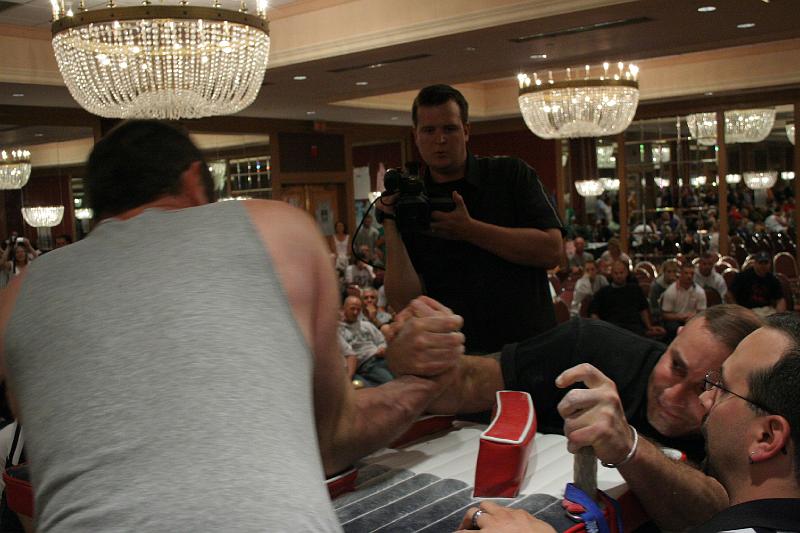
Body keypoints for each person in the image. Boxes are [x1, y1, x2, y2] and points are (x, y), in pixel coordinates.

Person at [0, 120, 466, 531]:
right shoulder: (278, 231)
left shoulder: (18, 295)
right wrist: (425, 382)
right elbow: (333, 439)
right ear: (194, 182)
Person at [388, 304, 763, 530]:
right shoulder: (590, 345)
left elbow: (720, 517)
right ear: (673, 337)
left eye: (704, 388)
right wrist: (413, 361)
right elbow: (469, 383)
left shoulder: (740, 421)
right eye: (675, 365)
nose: (673, 396)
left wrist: (629, 446)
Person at [381, 84, 563, 354]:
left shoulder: (510, 175)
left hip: (527, 349)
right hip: (454, 355)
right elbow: (404, 301)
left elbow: (552, 251)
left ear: (466, 131)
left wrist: (470, 230)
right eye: (429, 130)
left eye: (450, 129)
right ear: (415, 135)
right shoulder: (412, 200)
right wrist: (389, 221)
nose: (440, 140)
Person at [589, 260, 664, 338]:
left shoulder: (635, 289)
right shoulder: (603, 292)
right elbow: (593, 312)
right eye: (616, 273)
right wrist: (601, 328)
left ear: (627, 273)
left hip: (635, 328)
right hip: (613, 330)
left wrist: (649, 326)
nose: (619, 276)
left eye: (621, 273)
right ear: (611, 274)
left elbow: (643, 309)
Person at [338, 296, 393, 386]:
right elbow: (348, 355)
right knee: (391, 382)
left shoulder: (366, 325)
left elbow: (381, 341)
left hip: (381, 358)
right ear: (344, 309)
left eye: (358, 309)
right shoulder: (339, 330)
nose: (355, 312)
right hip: (367, 364)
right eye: (352, 309)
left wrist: (382, 348)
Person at [730, 251, 786, 317]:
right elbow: (729, 294)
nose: (763, 266)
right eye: (760, 263)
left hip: (767, 310)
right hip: (747, 311)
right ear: (755, 263)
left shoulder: (772, 279)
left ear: (770, 264)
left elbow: (780, 299)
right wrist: (737, 311)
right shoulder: (743, 277)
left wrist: (779, 316)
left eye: (766, 263)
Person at [661, 263, 707, 340]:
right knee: (672, 327)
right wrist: (679, 317)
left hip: (693, 319)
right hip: (675, 320)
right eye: (686, 273)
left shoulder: (700, 292)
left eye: (692, 274)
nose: (689, 276)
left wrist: (693, 316)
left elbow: (702, 312)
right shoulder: (671, 291)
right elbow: (665, 314)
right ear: (680, 274)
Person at [649, 258, 679, 323]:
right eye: (669, 272)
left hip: (676, 313)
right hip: (661, 316)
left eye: (674, 271)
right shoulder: (656, 286)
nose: (672, 274)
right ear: (664, 272)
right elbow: (653, 307)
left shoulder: (679, 283)